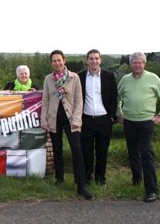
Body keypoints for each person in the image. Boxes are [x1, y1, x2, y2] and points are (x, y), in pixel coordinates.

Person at [117, 52, 160, 203]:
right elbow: (118, 97)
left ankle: (151, 190)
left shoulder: (153, 78)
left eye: (140, 62)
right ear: (131, 64)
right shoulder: (125, 79)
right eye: (135, 62)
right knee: (132, 152)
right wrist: (119, 113)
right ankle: (136, 179)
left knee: (146, 153)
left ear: (144, 64)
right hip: (128, 122)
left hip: (146, 122)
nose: (137, 65)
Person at [40, 50, 93, 200]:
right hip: (54, 118)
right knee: (57, 150)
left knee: (77, 150)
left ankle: (81, 185)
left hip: (71, 119)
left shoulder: (74, 77)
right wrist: (44, 120)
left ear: (64, 61)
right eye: (54, 61)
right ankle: (59, 179)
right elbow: (45, 101)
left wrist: (76, 120)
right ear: (51, 63)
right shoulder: (48, 79)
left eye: (59, 60)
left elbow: (79, 100)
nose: (57, 63)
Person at [78, 49, 117, 186]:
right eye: (91, 58)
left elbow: (114, 97)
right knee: (86, 153)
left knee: (102, 152)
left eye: (96, 58)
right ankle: (87, 179)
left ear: (100, 60)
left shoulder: (109, 76)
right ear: (87, 60)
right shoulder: (80, 76)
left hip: (104, 120)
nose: (94, 61)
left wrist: (111, 117)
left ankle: (101, 179)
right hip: (86, 120)